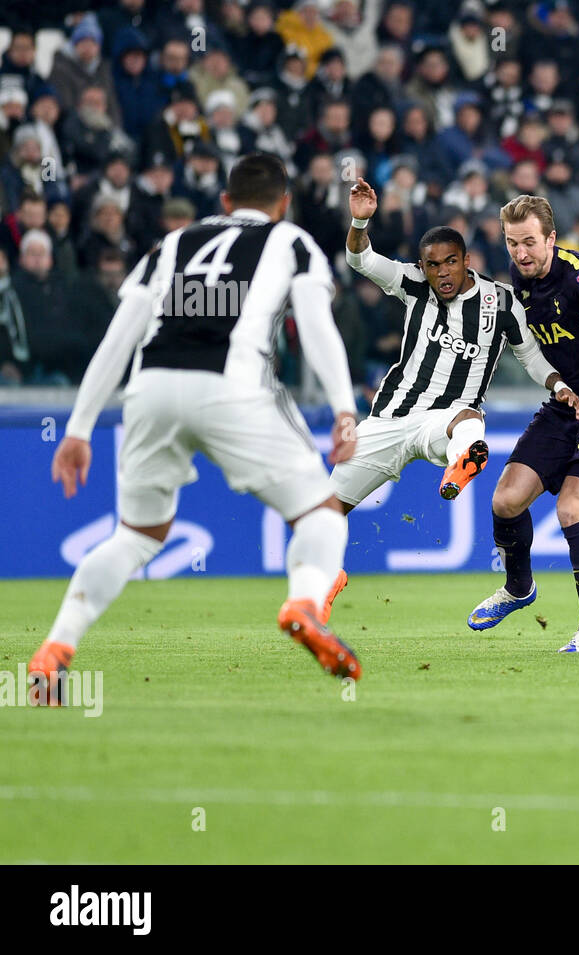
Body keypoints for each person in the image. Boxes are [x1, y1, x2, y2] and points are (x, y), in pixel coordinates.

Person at [28, 153, 361, 704]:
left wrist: (79, 427)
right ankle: (303, 602)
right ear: (284, 205)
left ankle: (55, 651)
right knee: (321, 513)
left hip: (150, 388)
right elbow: (318, 326)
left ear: (224, 202)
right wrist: (344, 409)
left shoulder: (172, 244)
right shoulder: (292, 241)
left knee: (135, 536)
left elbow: (119, 337)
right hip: (233, 387)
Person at [318, 178, 579, 618]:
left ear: (467, 261)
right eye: (432, 265)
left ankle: (466, 460)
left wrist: (557, 384)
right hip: (388, 419)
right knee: (323, 512)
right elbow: (359, 258)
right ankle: (329, 577)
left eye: (450, 263)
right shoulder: (412, 283)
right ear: (422, 266)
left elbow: (530, 355)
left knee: (467, 418)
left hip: (445, 420)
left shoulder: (500, 302)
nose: (441, 273)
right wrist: (361, 220)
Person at [468, 194, 579, 653]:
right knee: (505, 500)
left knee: (572, 509)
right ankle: (518, 588)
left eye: (529, 242)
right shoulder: (518, 277)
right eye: (511, 243)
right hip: (566, 401)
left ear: (551, 238)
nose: (521, 253)